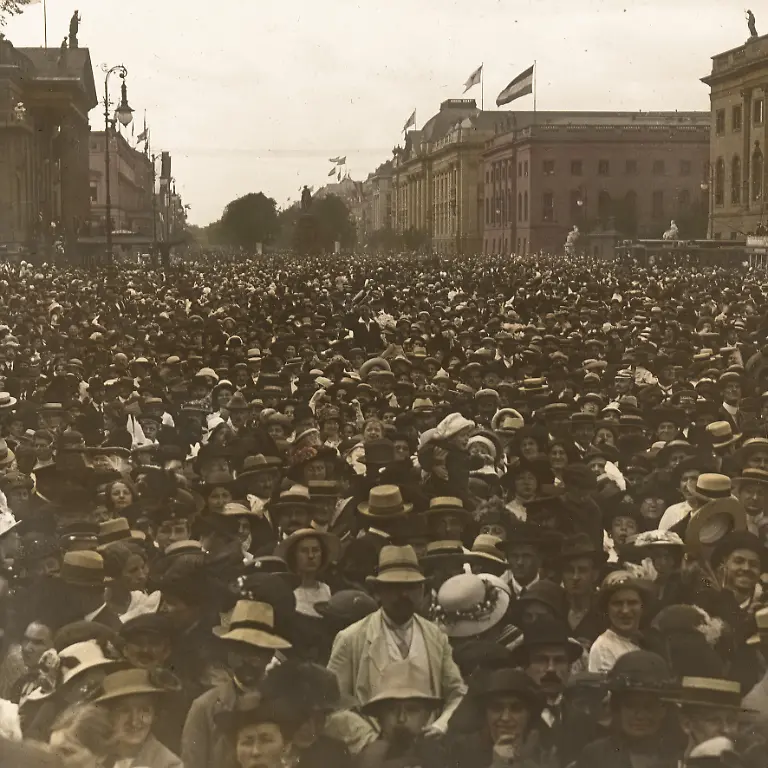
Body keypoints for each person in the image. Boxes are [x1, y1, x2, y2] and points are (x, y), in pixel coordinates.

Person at [327, 545, 466, 734]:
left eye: (411, 587)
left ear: (422, 589)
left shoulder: (436, 636)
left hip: (428, 745)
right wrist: (368, 740)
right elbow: (335, 701)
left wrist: (440, 725)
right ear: (378, 591)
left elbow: (457, 692)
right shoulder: (351, 638)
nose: (404, 595)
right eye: (394, 587)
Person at [576, 651, 681, 768]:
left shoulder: (680, 756)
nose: (640, 716)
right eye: (631, 705)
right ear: (617, 708)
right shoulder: (595, 755)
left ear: (664, 710)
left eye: (649, 706)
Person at [94, 667, 183, 767]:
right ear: (109, 715)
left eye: (144, 710)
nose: (134, 722)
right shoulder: (93, 759)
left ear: (154, 715)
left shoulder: (170, 764)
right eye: (124, 710)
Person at [588, 572, 651, 674]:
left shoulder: (648, 642)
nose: (625, 610)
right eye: (617, 603)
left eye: (632, 603)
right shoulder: (604, 648)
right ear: (606, 609)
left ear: (642, 607)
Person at [276, 528, 339, 618]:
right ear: (294, 555)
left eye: (315, 550)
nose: (311, 556)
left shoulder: (327, 590)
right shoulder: (287, 592)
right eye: (304, 551)